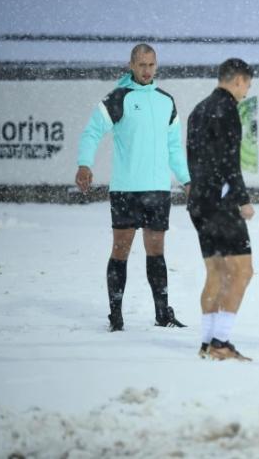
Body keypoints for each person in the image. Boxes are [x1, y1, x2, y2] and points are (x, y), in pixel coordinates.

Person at [76, 43, 190, 332]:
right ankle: (116, 316)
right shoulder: (119, 97)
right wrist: (84, 164)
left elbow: (174, 147)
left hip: (157, 190)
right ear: (131, 64)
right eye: (141, 64)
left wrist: (186, 179)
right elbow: (91, 132)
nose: (147, 70)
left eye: (151, 65)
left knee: (156, 252)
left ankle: (162, 314)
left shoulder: (166, 101)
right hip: (126, 189)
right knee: (121, 250)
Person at [186, 58, 256, 361]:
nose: (245, 93)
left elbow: (194, 159)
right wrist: (242, 199)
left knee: (216, 271)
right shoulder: (227, 110)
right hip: (220, 202)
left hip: (199, 201)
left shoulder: (198, 109)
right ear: (238, 79)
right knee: (242, 271)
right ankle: (221, 341)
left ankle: (206, 342)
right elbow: (229, 160)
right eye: (247, 86)